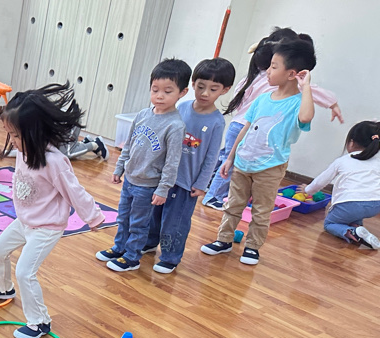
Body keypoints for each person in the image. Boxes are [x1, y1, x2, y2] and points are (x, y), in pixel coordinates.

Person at [0, 84, 104, 338]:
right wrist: (7, 152)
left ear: (34, 132)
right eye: (10, 135)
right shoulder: (25, 150)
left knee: (25, 272)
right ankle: (2, 288)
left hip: (46, 228)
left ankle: (40, 322)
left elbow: (74, 191)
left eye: (15, 136)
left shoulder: (55, 162)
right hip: (24, 220)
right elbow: (20, 155)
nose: (12, 141)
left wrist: (92, 216)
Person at [201, 40, 317, 266]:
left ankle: (252, 247)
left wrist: (306, 87)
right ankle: (224, 240)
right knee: (233, 204)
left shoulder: (297, 103)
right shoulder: (263, 99)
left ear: (291, 74)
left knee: (261, 210)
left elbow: (305, 117)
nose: (268, 71)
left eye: (274, 66)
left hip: (270, 167)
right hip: (243, 162)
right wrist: (230, 157)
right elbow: (245, 128)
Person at [202, 28, 342, 210]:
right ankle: (213, 196)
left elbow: (239, 95)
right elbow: (314, 91)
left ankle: (211, 185)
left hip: (238, 124)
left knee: (227, 158)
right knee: (233, 164)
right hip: (248, 128)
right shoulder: (275, 84)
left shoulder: (254, 77)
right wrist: (332, 103)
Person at [96, 58, 191, 272]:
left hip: (147, 186)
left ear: (182, 92)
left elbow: (172, 162)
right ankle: (120, 247)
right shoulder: (142, 115)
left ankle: (132, 257)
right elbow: (128, 145)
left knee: (139, 223)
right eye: (155, 90)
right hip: (130, 180)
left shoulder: (175, 126)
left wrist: (163, 189)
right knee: (123, 217)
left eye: (167, 91)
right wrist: (119, 168)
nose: (159, 96)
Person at [143, 58, 234, 273]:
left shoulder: (216, 121)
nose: (205, 93)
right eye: (200, 86)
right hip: (164, 177)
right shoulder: (181, 107)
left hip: (186, 182)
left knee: (175, 222)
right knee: (154, 214)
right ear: (192, 84)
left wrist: (202, 184)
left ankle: (170, 257)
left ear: (225, 90)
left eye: (213, 89)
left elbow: (212, 157)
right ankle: (150, 242)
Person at [301, 121, 380, 249]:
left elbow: (321, 181)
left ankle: (352, 232)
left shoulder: (343, 161)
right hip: (376, 204)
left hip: (350, 203)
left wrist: (307, 190)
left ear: (351, 142)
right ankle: (357, 226)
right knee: (353, 214)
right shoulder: (377, 161)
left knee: (330, 223)